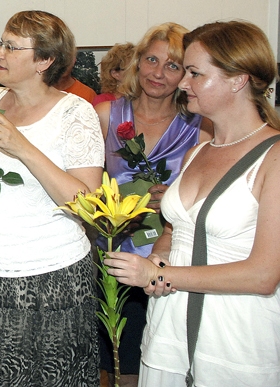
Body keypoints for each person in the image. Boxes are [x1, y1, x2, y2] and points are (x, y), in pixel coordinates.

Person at [105, 21, 280, 386]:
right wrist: (159, 255)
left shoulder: (274, 157)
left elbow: (264, 275)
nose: (182, 84)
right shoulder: (197, 152)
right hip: (169, 327)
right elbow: (175, 229)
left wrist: (159, 275)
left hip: (233, 334)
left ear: (238, 80)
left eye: (195, 73)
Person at [0, 10, 104, 386]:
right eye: (0, 43)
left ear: (44, 60)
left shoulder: (75, 114)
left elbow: (88, 205)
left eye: (11, 46)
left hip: (50, 281)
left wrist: (22, 147)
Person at [93, 22, 212, 386]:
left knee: (158, 356)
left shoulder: (199, 126)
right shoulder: (106, 116)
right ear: (138, 62)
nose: (158, 73)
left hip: (169, 255)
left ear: (186, 74)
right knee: (112, 358)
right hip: (113, 251)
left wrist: (177, 196)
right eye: (151, 60)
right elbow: (85, 185)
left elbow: (212, 193)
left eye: (173, 66)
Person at [92, 42, 134, 106]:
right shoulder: (102, 102)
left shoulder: (144, 98)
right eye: (131, 68)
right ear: (115, 74)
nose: (138, 72)